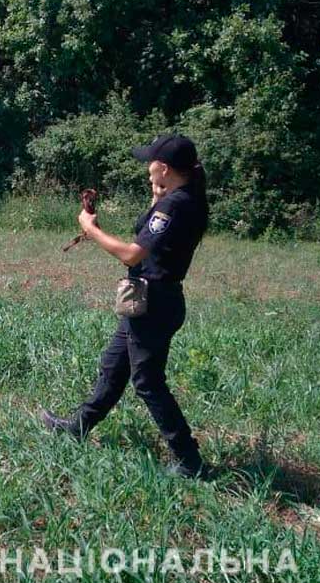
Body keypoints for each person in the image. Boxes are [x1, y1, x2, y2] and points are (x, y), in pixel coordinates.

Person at [41, 134, 210, 479]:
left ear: (163, 168)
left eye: (151, 164)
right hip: (153, 300)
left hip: (153, 302)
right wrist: (156, 196)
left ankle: (189, 460)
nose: (147, 169)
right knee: (114, 364)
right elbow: (152, 236)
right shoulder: (183, 198)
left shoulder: (174, 205)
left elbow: (133, 253)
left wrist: (90, 229)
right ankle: (79, 426)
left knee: (147, 381)